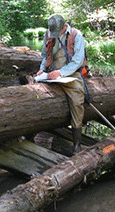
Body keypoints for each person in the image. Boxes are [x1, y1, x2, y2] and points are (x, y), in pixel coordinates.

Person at [36, 14, 87, 155]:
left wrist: (61, 73)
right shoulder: (49, 34)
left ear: (64, 26)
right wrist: (43, 69)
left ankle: (77, 145)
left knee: (77, 102)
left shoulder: (76, 36)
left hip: (71, 75)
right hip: (51, 75)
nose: (54, 35)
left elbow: (77, 61)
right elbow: (45, 54)